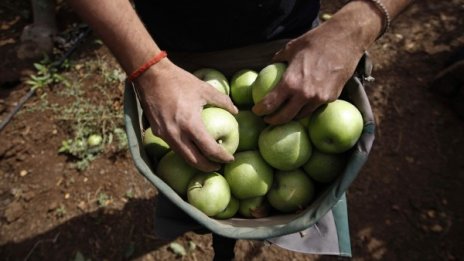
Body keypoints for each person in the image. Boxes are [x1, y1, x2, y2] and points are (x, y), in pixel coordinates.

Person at [68, 0, 413, 260]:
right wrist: (150, 70)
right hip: (174, 63)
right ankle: (222, 241)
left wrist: (360, 22)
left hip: (298, 54)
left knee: (308, 193)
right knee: (207, 201)